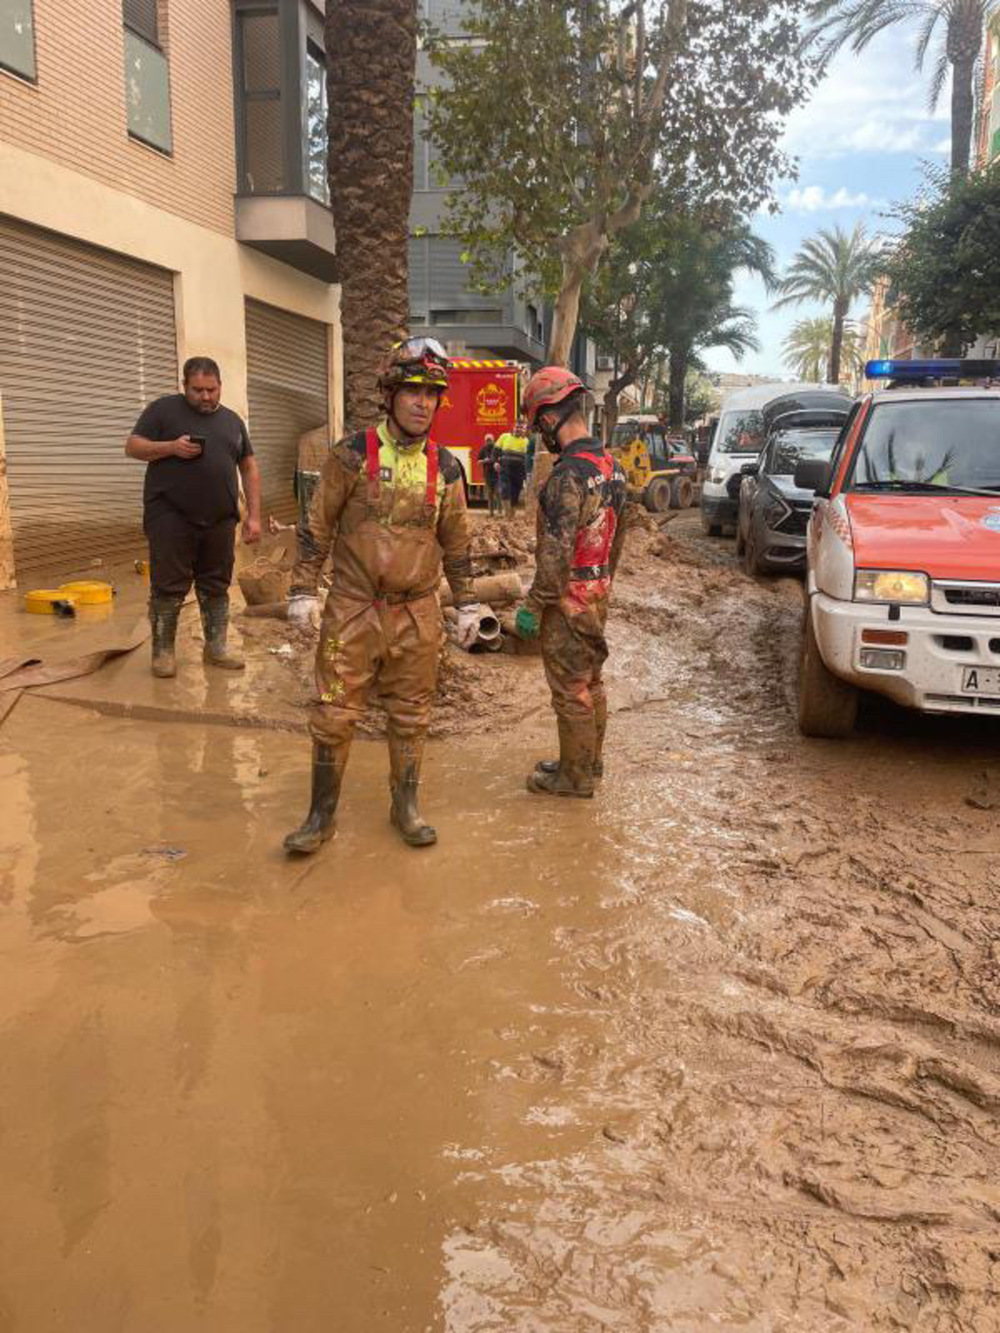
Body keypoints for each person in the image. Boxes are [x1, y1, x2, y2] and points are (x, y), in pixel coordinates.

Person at [283, 337, 481, 855]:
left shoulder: (448, 468)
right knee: (332, 712)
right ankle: (320, 816)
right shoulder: (350, 456)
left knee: (412, 712)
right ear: (389, 395)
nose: (422, 402)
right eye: (411, 390)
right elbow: (315, 525)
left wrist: (466, 602)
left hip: (418, 611)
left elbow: (457, 542)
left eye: (432, 393)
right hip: (351, 607)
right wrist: (303, 588)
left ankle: (405, 806)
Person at [514, 367, 628, 798]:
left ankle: (575, 778)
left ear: (546, 420)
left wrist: (533, 606)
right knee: (592, 680)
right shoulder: (611, 467)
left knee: (570, 689)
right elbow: (618, 539)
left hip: (568, 599)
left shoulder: (567, 477)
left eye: (536, 423)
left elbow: (555, 556)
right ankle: (586, 762)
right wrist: (603, 585)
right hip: (598, 592)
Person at [126, 356, 261, 678]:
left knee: (216, 585)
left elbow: (249, 466)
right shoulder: (162, 411)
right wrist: (171, 447)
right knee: (168, 586)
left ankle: (216, 648)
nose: (205, 397)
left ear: (220, 387)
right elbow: (132, 447)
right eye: (197, 390)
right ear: (184, 386)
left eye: (211, 390)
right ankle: (163, 653)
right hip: (170, 515)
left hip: (219, 518)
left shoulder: (231, 421)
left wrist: (254, 515)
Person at [496, 418, 530, 513]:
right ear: (513, 427)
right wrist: (495, 462)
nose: (519, 429)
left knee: (516, 492)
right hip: (505, 469)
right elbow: (496, 451)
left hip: (519, 471)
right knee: (505, 489)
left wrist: (526, 472)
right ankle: (507, 512)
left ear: (524, 430)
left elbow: (527, 458)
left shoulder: (526, 441)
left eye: (521, 428)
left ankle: (512, 511)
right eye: (517, 427)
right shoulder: (504, 437)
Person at [479, 433, 501, 517]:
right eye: (487, 440)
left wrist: (498, 463)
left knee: (498, 493)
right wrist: (484, 460)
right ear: (485, 441)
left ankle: (500, 512)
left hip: (496, 475)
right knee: (490, 494)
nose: (489, 442)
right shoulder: (483, 449)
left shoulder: (497, 449)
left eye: (490, 440)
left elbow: (500, 458)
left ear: (493, 440)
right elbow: (478, 461)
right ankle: (491, 513)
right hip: (487, 475)